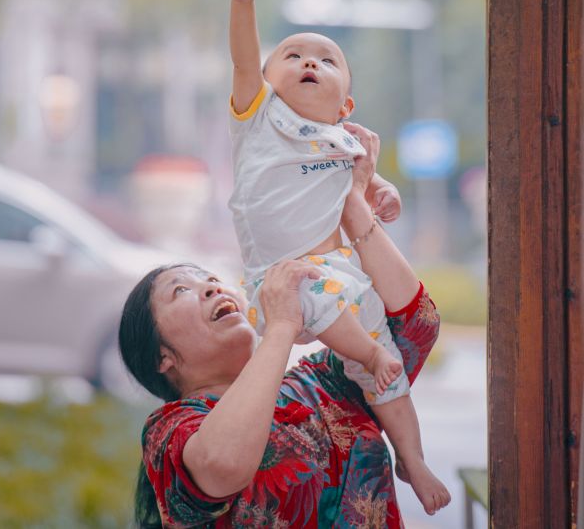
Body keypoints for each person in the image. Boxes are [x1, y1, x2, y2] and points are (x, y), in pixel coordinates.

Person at [220, 0, 450, 516]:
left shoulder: (347, 141)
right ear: (269, 83)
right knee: (360, 341)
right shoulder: (260, 118)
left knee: (390, 368)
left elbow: (367, 190)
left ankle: (413, 458)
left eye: (324, 61)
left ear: (345, 103)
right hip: (281, 277)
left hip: (341, 269)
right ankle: (368, 359)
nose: (308, 64)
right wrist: (243, 3)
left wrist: (383, 192)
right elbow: (245, 62)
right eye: (293, 55)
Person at [119, 128, 444, 527]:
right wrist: (283, 327)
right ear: (162, 357)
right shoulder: (171, 430)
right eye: (182, 289)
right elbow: (222, 464)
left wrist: (352, 206)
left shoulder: (325, 382)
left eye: (208, 278)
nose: (210, 287)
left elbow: (414, 326)